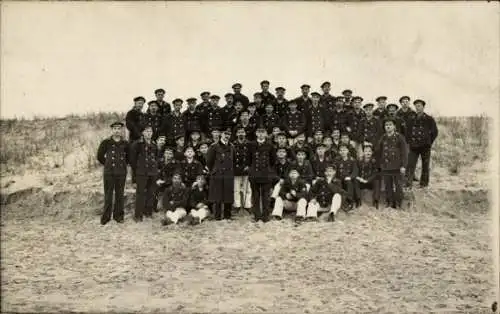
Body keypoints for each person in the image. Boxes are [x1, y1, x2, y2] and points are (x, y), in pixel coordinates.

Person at [96, 121, 129, 225]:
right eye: (115, 128)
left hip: (121, 172)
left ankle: (118, 216)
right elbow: (100, 156)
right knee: (108, 195)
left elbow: (129, 157)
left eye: (119, 128)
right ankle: (106, 217)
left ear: (122, 130)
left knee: (120, 195)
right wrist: (107, 164)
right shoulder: (106, 142)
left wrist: (123, 164)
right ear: (112, 130)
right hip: (109, 172)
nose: (117, 131)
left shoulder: (125, 143)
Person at [405, 99, 439, 188]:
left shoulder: (429, 119)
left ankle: (424, 184)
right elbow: (407, 132)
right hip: (414, 146)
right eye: (416, 105)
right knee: (410, 165)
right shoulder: (411, 119)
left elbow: (435, 132)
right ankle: (408, 183)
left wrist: (429, 142)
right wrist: (410, 142)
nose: (417, 107)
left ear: (423, 107)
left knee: (425, 165)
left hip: (425, 146)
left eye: (419, 105)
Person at [375, 118, 408, 208]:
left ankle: (399, 203)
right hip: (385, 166)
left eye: (390, 125)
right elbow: (378, 151)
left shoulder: (399, 137)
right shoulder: (383, 138)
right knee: (388, 186)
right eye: (386, 125)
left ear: (394, 126)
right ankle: (390, 203)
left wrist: (403, 166)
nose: (388, 127)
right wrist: (379, 165)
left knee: (398, 186)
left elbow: (404, 153)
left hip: (397, 167)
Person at [248, 124, 277, 222]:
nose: (261, 134)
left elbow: (273, 160)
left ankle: (265, 216)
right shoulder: (251, 145)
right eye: (259, 132)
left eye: (263, 132)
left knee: (266, 196)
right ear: (256, 134)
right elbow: (249, 160)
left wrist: (268, 170)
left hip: (266, 173)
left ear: (266, 134)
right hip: (254, 174)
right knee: (255, 196)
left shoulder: (270, 146)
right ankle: (257, 216)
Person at [130, 125, 159, 221]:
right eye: (146, 131)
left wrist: (155, 172)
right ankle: (138, 215)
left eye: (150, 131)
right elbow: (133, 162)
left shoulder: (154, 145)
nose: (149, 133)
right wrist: (134, 177)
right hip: (141, 173)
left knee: (151, 193)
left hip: (152, 173)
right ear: (142, 132)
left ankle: (148, 212)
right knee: (140, 194)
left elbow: (156, 159)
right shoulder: (137, 144)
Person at [206, 129, 235, 220]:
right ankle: (217, 216)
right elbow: (209, 161)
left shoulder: (232, 146)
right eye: (225, 134)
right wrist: (214, 170)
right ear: (221, 134)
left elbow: (233, 160)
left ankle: (227, 216)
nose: (227, 136)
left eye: (229, 134)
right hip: (218, 174)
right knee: (217, 196)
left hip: (228, 174)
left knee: (228, 195)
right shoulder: (214, 146)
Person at [233, 126, 252, 214]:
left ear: (245, 133)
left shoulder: (249, 144)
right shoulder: (233, 144)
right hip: (236, 169)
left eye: (242, 132)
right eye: (239, 132)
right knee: (236, 189)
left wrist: (249, 166)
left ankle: (247, 205)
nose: (241, 134)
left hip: (246, 168)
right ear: (236, 134)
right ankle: (237, 205)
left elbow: (252, 156)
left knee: (247, 189)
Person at [354, 144, 380, 208]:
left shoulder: (375, 161)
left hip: (369, 182)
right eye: (366, 151)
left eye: (369, 151)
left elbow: (375, 173)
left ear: (372, 152)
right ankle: (358, 200)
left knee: (377, 180)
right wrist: (359, 178)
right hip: (361, 181)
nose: (367, 153)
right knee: (355, 180)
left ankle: (376, 201)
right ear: (363, 152)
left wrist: (367, 180)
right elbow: (355, 172)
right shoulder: (359, 161)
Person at [334, 144, 358, 210]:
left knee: (349, 183)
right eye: (341, 150)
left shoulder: (352, 160)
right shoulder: (337, 160)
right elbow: (334, 170)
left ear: (348, 151)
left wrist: (350, 177)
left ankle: (350, 201)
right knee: (337, 183)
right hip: (339, 178)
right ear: (339, 152)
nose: (343, 152)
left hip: (348, 179)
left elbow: (355, 171)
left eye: (344, 150)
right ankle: (341, 202)